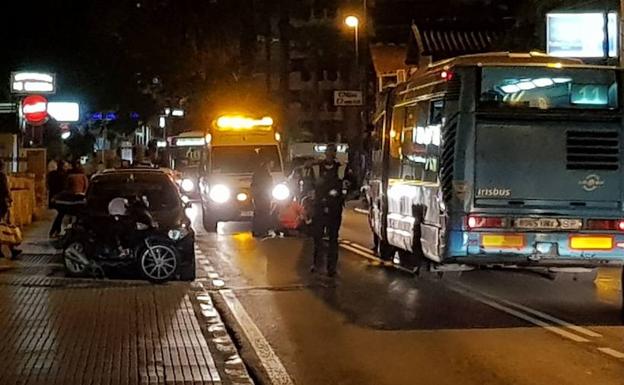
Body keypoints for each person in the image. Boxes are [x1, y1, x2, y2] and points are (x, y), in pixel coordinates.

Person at [311, 144, 348, 277]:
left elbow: (349, 183)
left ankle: (331, 267)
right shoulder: (316, 168)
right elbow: (309, 184)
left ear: (334, 154)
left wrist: (342, 193)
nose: (329, 154)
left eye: (332, 152)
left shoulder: (341, 169)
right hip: (319, 207)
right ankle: (317, 264)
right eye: (328, 152)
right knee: (318, 237)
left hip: (334, 208)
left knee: (333, 238)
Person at [49, 161, 88, 238]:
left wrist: (56, 197)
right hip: (80, 200)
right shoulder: (83, 177)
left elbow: (66, 189)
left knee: (61, 214)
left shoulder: (69, 177)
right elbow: (86, 187)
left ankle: (55, 231)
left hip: (70, 200)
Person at [0, 160, 21, 259]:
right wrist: (9, 199)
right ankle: (9, 248)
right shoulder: (2, 176)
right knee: (5, 227)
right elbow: (6, 189)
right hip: (1, 204)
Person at [251, 150, 274, 237]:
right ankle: (262, 231)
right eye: (271, 163)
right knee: (263, 213)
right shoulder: (263, 173)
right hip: (262, 196)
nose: (273, 165)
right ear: (267, 163)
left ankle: (258, 230)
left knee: (259, 213)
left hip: (260, 195)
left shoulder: (261, 172)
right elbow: (264, 185)